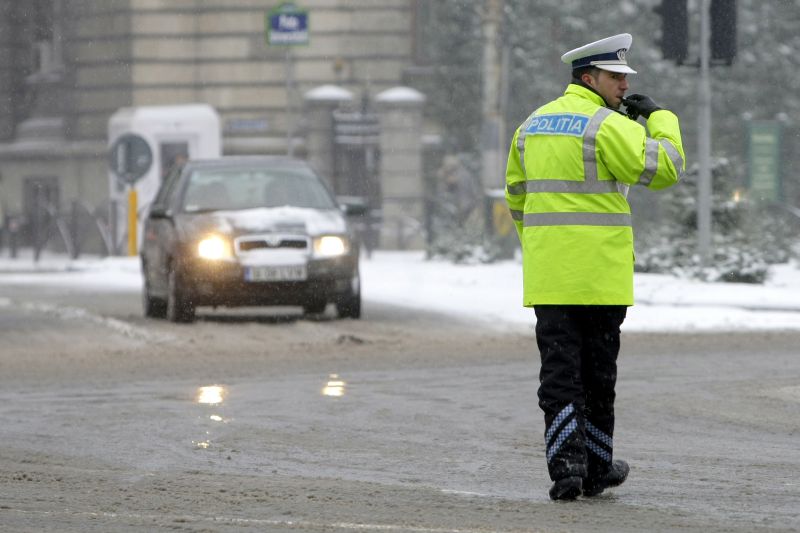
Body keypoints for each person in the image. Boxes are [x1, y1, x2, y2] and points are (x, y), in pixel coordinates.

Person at [504, 33, 685, 500]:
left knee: (560, 374)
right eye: (616, 77)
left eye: (625, 78)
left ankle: (566, 465)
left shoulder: (531, 125)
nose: (624, 85)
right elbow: (665, 167)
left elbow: (517, 197)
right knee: (598, 376)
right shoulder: (608, 126)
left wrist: (544, 248)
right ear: (590, 78)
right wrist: (660, 117)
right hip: (602, 278)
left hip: (551, 278)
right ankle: (598, 465)